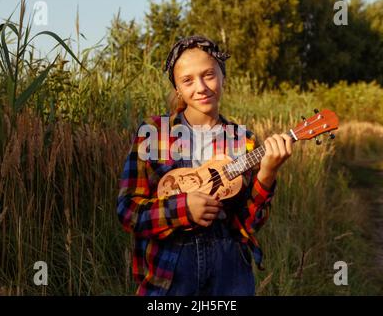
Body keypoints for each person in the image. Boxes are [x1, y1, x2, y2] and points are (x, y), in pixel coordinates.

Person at [117, 35, 293, 296]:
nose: (201, 87)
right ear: (177, 88)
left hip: (230, 272)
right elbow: (128, 211)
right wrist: (182, 209)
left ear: (222, 77)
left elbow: (247, 224)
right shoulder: (154, 133)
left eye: (209, 74)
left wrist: (267, 174)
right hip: (171, 271)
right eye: (187, 80)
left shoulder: (244, 140)